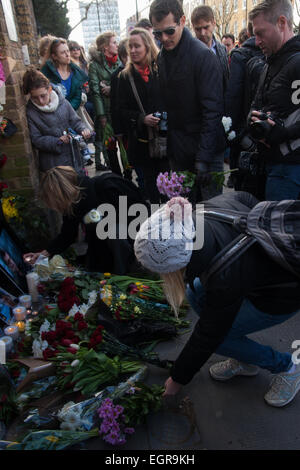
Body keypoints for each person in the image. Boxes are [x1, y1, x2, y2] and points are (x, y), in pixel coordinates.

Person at [134, 192, 300, 407]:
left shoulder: (225, 277)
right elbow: (245, 198)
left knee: (221, 339)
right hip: (256, 276)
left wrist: (177, 378)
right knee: (195, 292)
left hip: (281, 297)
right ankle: (245, 358)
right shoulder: (198, 213)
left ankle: (287, 367)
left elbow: (209, 335)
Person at [149, 0, 225, 201]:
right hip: (179, 152)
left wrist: (204, 159)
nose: (164, 39)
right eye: (158, 34)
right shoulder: (162, 58)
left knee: (209, 218)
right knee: (183, 214)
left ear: (182, 21)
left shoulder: (203, 56)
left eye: (169, 31)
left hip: (205, 152)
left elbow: (212, 111)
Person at [23, 166, 147, 275]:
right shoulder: (73, 205)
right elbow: (67, 234)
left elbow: (141, 213)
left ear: (63, 194)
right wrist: (43, 254)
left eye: (56, 203)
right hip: (108, 254)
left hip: (136, 246)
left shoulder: (107, 186)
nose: (57, 209)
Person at [248, 0, 300, 200]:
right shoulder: (269, 64)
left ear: (281, 23)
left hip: (290, 170)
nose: (256, 41)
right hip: (273, 167)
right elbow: (256, 105)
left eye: (260, 33)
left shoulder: (296, 63)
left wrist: (282, 132)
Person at [118, 28, 169, 203]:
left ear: (147, 46)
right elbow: (120, 111)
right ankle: (156, 224)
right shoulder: (124, 77)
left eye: (137, 46)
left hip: (165, 142)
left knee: (169, 186)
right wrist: (142, 119)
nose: (132, 51)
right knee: (151, 188)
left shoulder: (161, 70)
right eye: (129, 47)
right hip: (142, 144)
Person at [23, 67, 91, 174]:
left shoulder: (63, 102)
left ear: (49, 89)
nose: (40, 101)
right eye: (35, 97)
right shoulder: (31, 112)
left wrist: (83, 129)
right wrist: (56, 141)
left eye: (43, 96)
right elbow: (36, 139)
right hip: (53, 164)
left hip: (73, 157)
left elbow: (75, 121)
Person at [225, 21, 266, 194]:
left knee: (245, 191)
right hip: (262, 133)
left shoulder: (240, 56)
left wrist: (234, 134)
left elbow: (233, 97)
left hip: (245, 133)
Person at [88, 31, 122, 174]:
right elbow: (96, 91)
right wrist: (101, 115)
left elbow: (124, 81)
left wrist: (111, 88)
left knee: (125, 148)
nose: (117, 45)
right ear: (105, 47)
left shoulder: (120, 60)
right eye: (114, 42)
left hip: (121, 110)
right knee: (110, 147)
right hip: (106, 113)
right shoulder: (95, 66)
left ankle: (127, 180)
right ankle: (117, 182)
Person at [41, 38, 88, 111]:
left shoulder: (75, 72)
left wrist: (68, 110)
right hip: (54, 113)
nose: (67, 55)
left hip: (73, 112)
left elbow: (77, 96)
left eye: (68, 51)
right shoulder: (47, 73)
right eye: (63, 52)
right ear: (54, 56)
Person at [191, 5, 229, 90]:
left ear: (214, 24)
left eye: (206, 27)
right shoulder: (188, 52)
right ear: (193, 27)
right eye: (198, 29)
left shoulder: (222, 49)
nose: (202, 33)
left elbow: (225, 80)